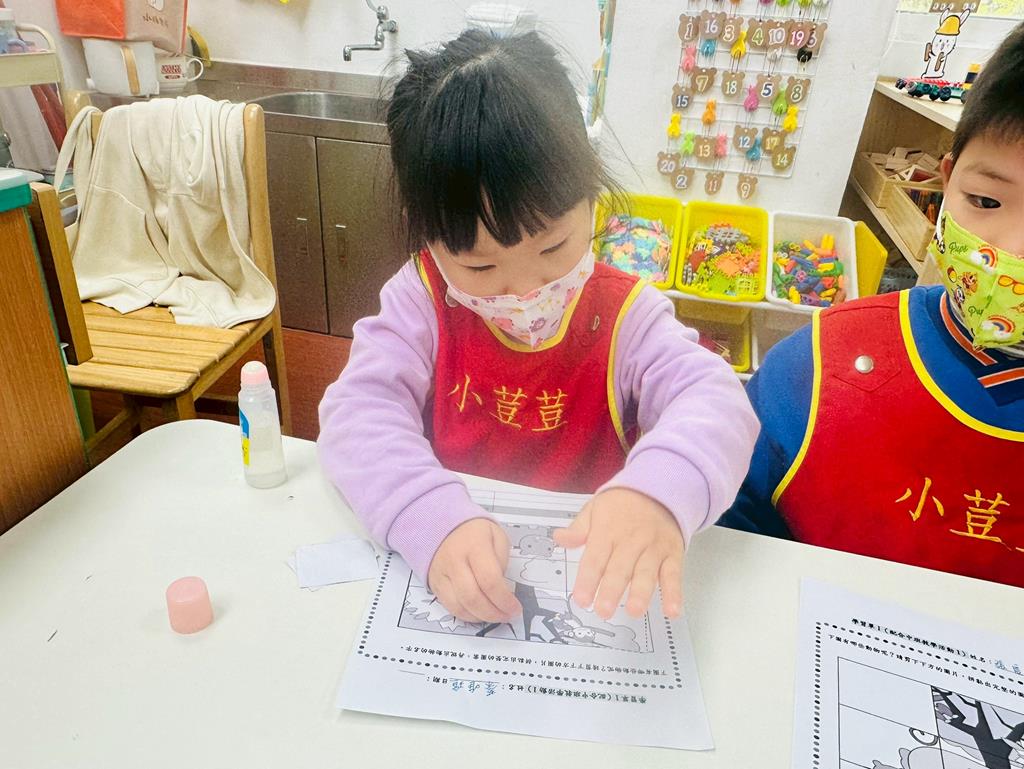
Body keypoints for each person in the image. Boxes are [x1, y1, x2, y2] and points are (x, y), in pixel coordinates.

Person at [318, 30, 758, 625]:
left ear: (592, 194)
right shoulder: (421, 298)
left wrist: (656, 493)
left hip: (586, 588)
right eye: (480, 267)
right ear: (428, 238)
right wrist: (426, 516)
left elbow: (716, 402)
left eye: (553, 247)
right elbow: (357, 413)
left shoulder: (624, 315)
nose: (525, 291)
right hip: (457, 577)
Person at [721, 23, 1024, 588]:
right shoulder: (819, 364)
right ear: (945, 183)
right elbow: (729, 519)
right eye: (986, 201)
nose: (1012, 249)